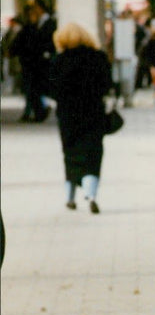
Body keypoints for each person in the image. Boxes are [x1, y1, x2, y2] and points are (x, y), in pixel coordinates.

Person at [49, 23, 113, 214]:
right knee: (93, 153)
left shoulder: (59, 61)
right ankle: (91, 194)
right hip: (93, 113)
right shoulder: (98, 58)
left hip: (68, 115)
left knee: (70, 153)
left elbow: (52, 88)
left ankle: (70, 197)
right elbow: (107, 84)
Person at [10, 0, 55, 122]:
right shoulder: (32, 25)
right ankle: (36, 111)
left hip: (40, 61)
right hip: (31, 62)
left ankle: (39, 110)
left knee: (36, 87)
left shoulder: (47, 24)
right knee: (32, 87)